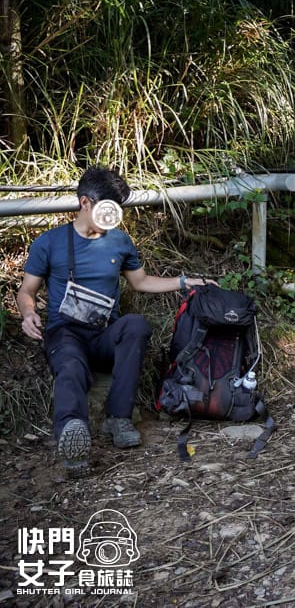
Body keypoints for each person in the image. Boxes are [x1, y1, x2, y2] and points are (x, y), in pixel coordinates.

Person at [16, 166, 215, 476]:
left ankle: (118, 418)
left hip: (104, 333)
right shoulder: (50, 242)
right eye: (106, 207)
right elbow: (26, 290)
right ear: (85, 203)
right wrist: (28, 313)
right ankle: (72, 434)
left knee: (136, 325)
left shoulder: (120, 242)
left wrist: (184, 281)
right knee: (70, 366)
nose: (112, 217)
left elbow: (141, 282)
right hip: (65, 333)